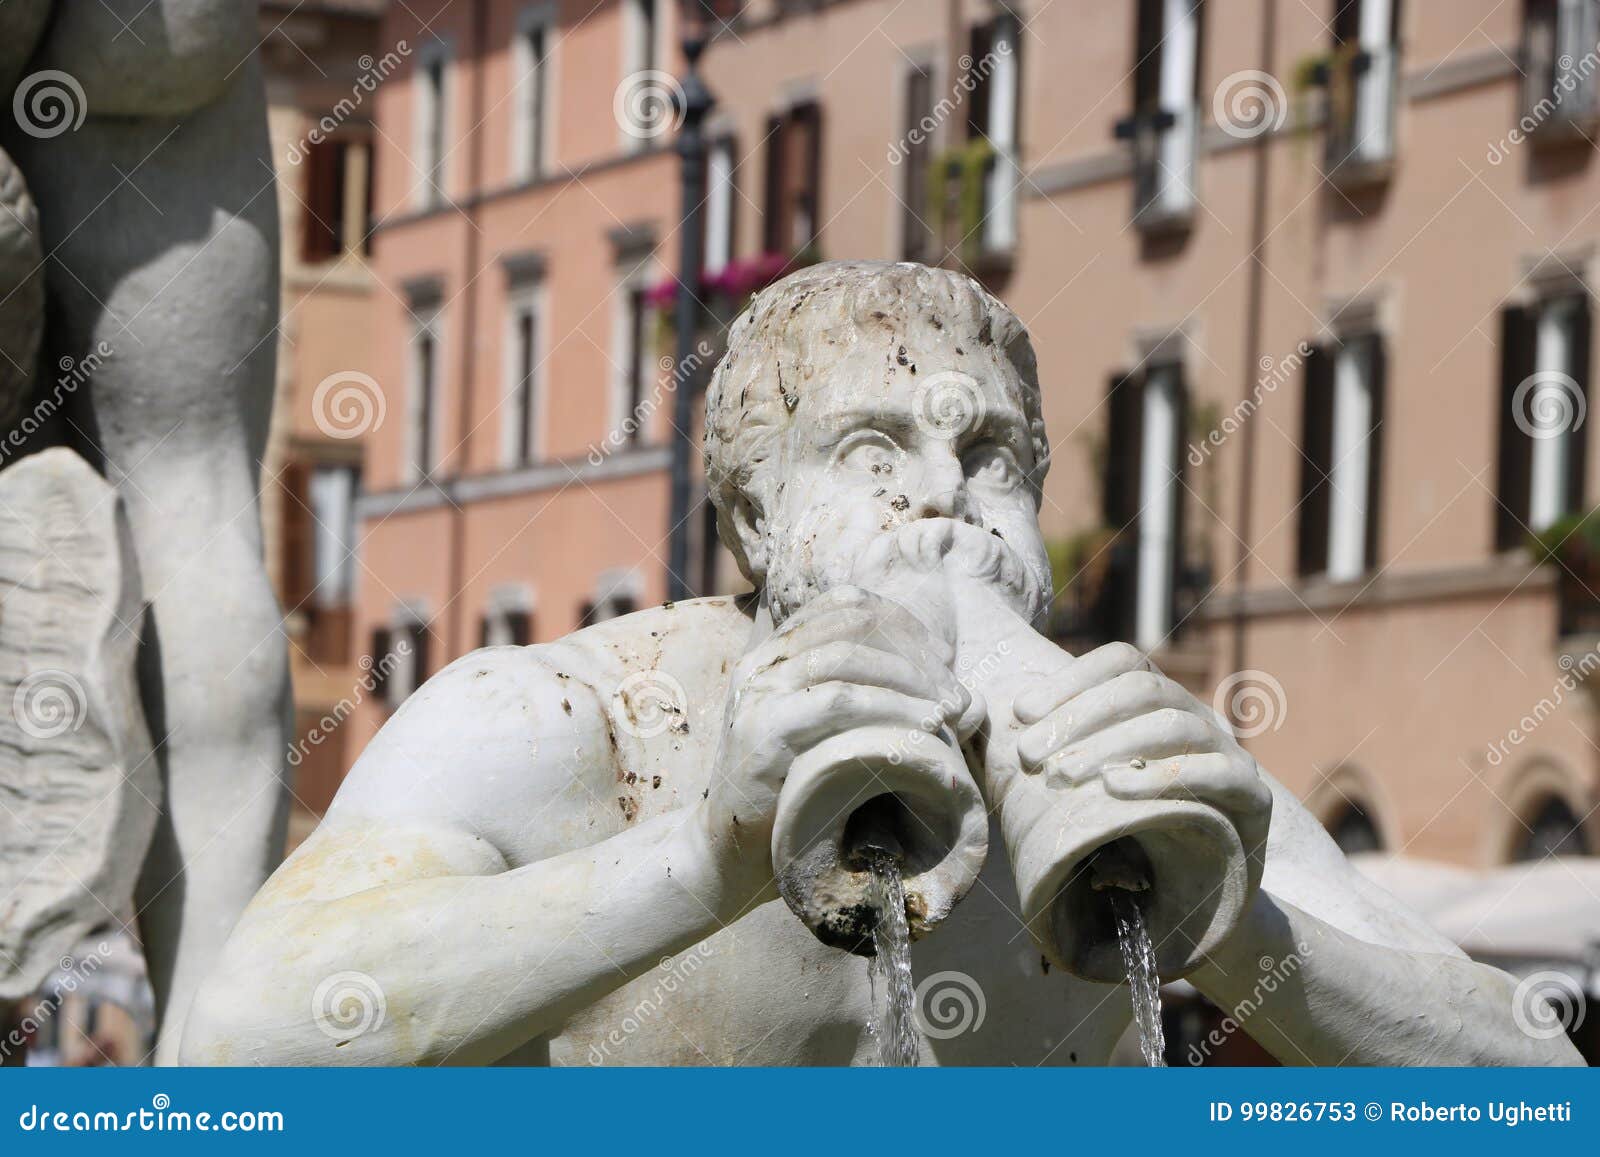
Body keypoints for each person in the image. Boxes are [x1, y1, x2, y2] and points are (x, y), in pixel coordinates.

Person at [180, 262, 1581, 1067]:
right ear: (749, 519)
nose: (943, 500)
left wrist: (1244, 932)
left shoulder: (1122, 756)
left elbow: (1535, 1098)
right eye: (868, 454)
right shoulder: (572, 723)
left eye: (987, 458)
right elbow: (233, 1052)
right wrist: (703, 860)